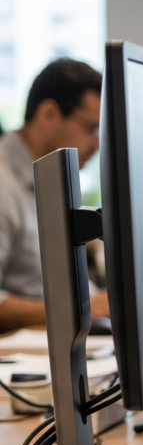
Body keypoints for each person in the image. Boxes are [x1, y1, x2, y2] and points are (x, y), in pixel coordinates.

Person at [0, 58, 106, 332]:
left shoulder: (53, 176)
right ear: (48, 114)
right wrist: (83, 307)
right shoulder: (4, 182)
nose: (97, 144)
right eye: (90, 128)